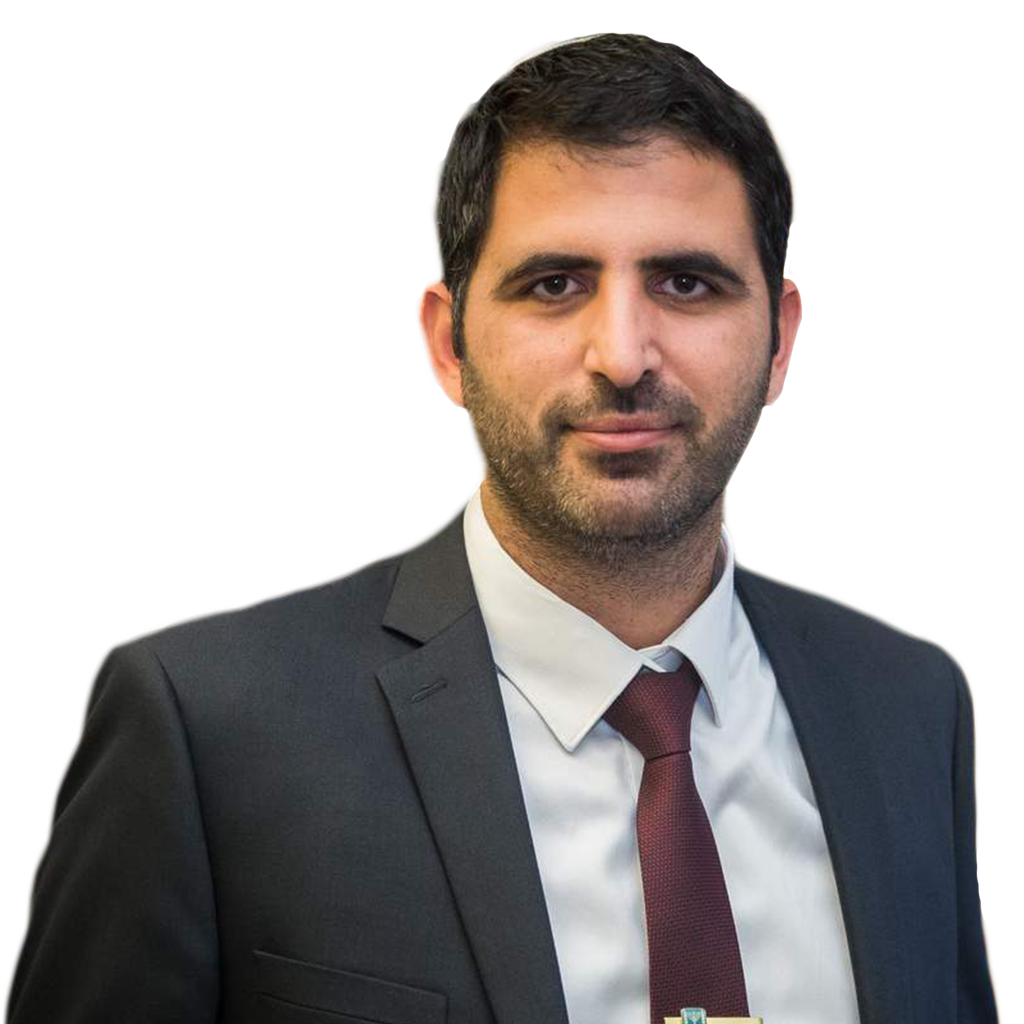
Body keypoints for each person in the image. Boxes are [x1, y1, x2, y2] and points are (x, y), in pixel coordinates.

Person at [3, 32, 998, 1024]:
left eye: (686, 283)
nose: (622, 355)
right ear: (447, 344)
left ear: (779, 342)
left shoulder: (910, 704)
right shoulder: (206, 725)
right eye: (553, 284)